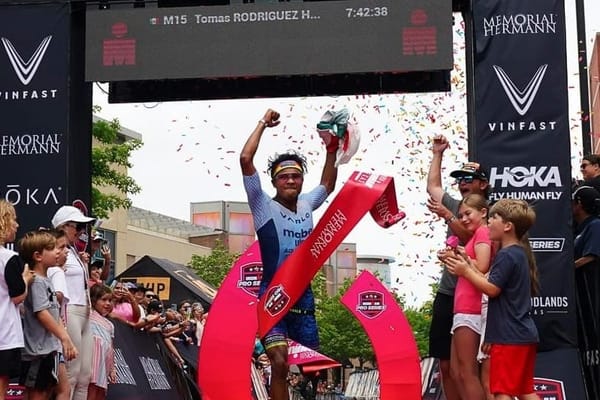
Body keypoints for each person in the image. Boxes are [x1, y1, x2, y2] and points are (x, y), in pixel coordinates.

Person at [240, 108, 338, 400]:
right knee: (280, 363)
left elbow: (328, 185)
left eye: (296, 176)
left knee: (313, 370)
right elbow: (246, 160)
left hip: (303, 296)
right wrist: (262, 124)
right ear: (274, 182)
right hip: (272, 294)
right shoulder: (262, 206)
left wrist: (331, 150)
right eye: (285, 177)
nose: (291, 181)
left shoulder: (308, 203)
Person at [445, 199, 540, 400]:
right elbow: (492, 283)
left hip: (510, 337)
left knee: (501, 391)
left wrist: (465, 271)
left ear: (507, 226)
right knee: (524, 390)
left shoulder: (506, 256)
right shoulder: (518, 254)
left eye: (493, 218)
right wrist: (468, 264)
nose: (488, 222)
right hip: (519, 334)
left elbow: (492, 289)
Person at [426, 134, 490, 400]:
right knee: (446, 364)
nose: (463, 184)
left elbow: (472, 239)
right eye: (460, 180)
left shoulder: (489, 212)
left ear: (483, 184)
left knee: (470, 367)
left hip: (474, 296)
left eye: (469, 179)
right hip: (450, 291)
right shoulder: (458, 206)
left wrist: (449, 216)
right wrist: (437, 153)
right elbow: (433, 188)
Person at [438, 194, 492, 400]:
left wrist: (460, 259)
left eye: (468, 213)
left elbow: (482, 266)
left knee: (467, 373)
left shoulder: (483, 232)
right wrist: (458, 256)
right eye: (460, 216)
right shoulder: (480, 233)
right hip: (464, 308)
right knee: (457, 372)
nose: (463, 219)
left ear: (484, 212)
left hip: (472, 308)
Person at [19, 230, 78, 400]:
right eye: (52, 249)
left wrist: (65, 339)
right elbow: (42, 313)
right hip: (37, 352)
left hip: (48, 350)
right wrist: (64, 338)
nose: (58, 251)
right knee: (38, 394)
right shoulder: (36, 281)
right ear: (38, 256)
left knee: (48, 391)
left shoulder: (46, 280)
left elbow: (53, 313)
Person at [51, 205, 95, 400]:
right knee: (71, 373)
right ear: (63, 226)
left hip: (85, 312)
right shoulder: (55, 251)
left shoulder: (73, 252)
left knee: (85, 375)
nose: (81, 232)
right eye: (77, 226)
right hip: (70, 311)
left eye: (82, 227)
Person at [0, 200, 32, 400]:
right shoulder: (8, 258)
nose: (17, 225)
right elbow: (18, 296)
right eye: (14, 219)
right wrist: (26, 279)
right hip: (4, 335)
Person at [572, 185, 600, 399]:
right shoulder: (577, 228)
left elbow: (591, 256)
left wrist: (565, 267)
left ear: (579, 203)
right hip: (580, 297)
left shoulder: (595, 225)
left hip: (593, 295)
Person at [88, 284, 116, 400]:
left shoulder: (110, 325)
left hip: (104, 364)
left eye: (110, 300)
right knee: (91, 391)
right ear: (94, 300)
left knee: (100, 393)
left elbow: (111, 347)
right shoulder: (88, 316)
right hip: (91, 362)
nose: (108, 303)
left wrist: (112, 368)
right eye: (103, 300)